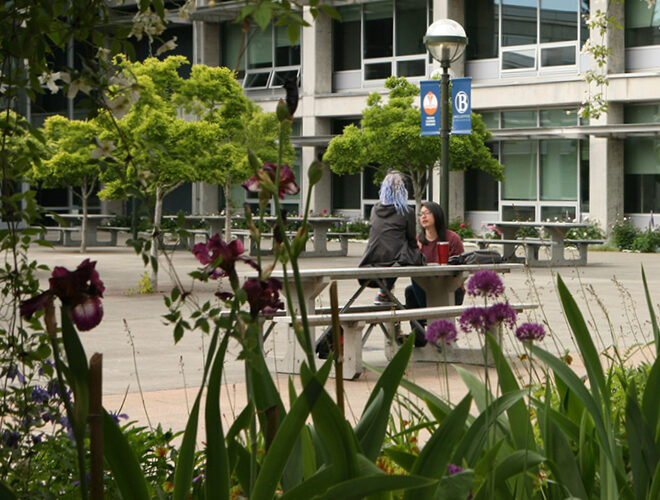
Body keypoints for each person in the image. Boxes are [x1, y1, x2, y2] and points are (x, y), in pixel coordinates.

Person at [405, 201, 465, 345]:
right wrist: (413, 251)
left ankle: (428, 316)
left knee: (415, 284)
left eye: (427, 213)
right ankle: (419, 335)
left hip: (450, 290)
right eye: (421, 214)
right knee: (411, 289)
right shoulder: (418, 241)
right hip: (425, 290)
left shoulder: (452, 238)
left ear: (437, 215)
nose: (423, 216)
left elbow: (462, 266)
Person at [358, 172, 423, 305]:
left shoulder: (375, 209)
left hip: (371, 257)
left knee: (399, 253)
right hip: (393, 260)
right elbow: (411, 239)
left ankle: (385, 291)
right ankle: (386, 293)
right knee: (416, 258)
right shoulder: (407, 211)